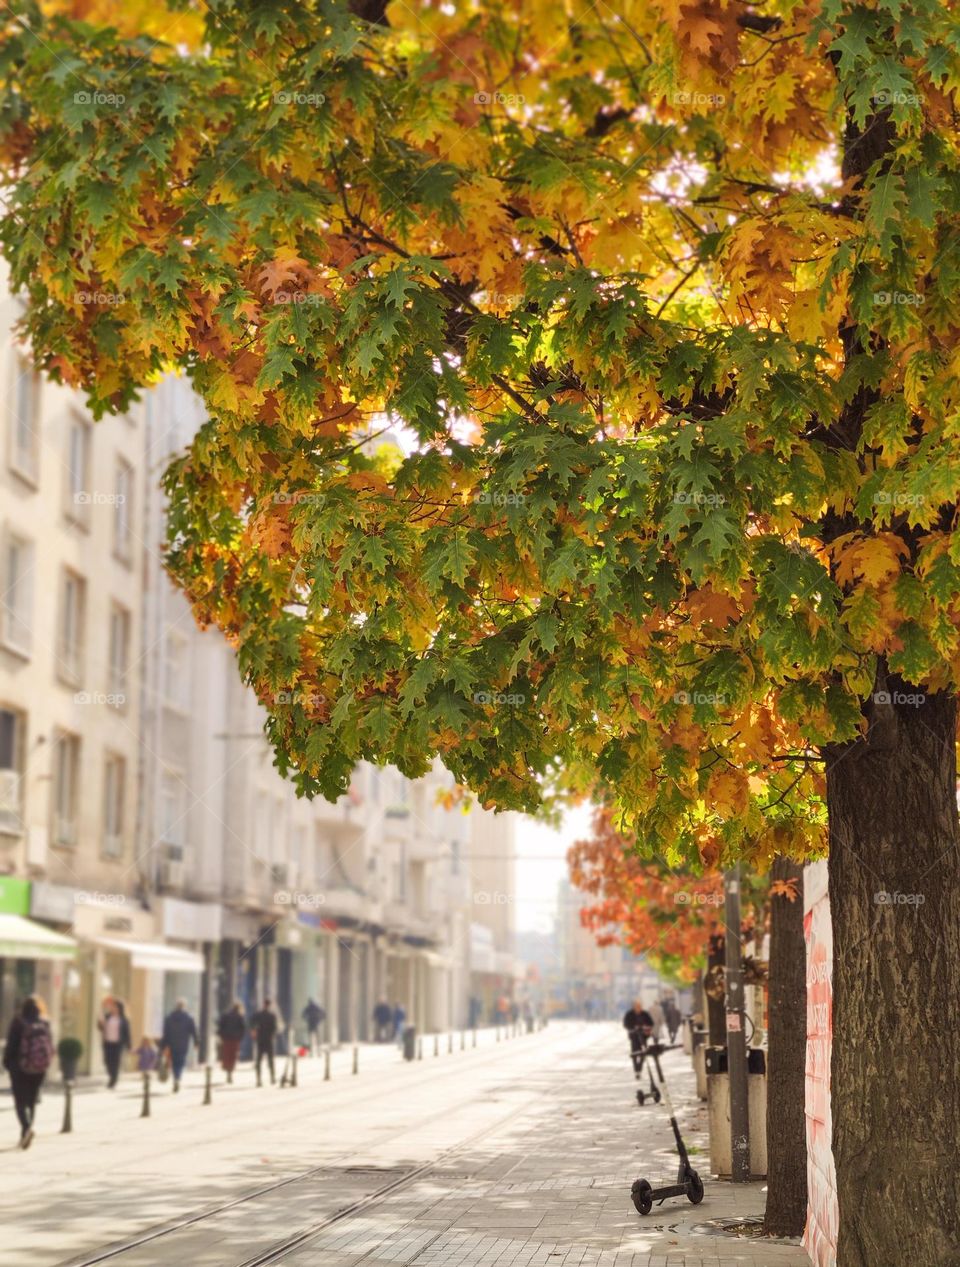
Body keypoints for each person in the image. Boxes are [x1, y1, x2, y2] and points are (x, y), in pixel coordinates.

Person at [3, 996, 53, 1149]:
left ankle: (25, 1128)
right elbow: (50, 1045)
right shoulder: (44, 1022)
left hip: (20, 1066)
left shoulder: (18, 1022)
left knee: (20, 1101)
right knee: (31, 1100)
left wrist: (6, 1062)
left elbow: (11, 1045)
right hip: (39, 1068)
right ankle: (27, 1129)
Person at [160, 998, 198, 1092]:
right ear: (184, 1006)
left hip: (172, 1043)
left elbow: (165, 1032)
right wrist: (196, 1042)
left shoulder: (169, 1017)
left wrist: (163, 1045)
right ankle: (177, 1078)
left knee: (174, 1063)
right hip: (183, 1044)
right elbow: (194, 1031)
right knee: (180, 1062)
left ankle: (176, 1077)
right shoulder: (189, 1018)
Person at [98, 997, 131, 1088]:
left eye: (115, 1007)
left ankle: (113, 1079)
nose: (113, 1008)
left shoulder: (124, 1020)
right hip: (107, 1042)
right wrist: (100, 1023)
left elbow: (127, 1033)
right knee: (107, 1061)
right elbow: (100, 1028)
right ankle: (111, 1075)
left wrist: (129, 1046)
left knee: (115, 1062)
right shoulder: (107, 1017)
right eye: (112, 1007)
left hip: (118, 1044)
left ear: (120, 1008)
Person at [250, 999, 278, 1084]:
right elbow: (275, 1029)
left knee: (259, 1060)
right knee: (270, 1060)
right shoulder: (272, 1015)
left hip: (260, 1039)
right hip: (268, 1040)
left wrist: (254, 1030)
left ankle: (258, 1080)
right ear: (269, 1005)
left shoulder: (258, 1015)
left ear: (263, 1004)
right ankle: (272, 1078)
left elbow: (251, 1022)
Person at [218, 1001, 246, 1081]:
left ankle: (228, 1071)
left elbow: (220, 1026)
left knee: (226, 1055)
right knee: (233, 1056)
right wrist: (240, 1037)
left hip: (226, 1038)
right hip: (235, 1039)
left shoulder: (225, 1015)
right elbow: (243, 1028)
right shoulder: (239, 1017)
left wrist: (222, 1036)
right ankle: (230, 1071)